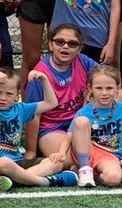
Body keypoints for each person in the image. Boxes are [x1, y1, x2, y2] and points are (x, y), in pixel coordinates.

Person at [0, 67, 75, 190]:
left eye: (9, 94)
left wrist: (44, 79)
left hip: (17, 162)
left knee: (56, 163)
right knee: (4, 162)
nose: (3, 98)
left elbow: (51, 103)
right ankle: (45, 182)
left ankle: (13, 180)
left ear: (17, 95)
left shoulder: (21, 109)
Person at [68, 66, 122, 189]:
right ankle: (84, 167)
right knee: (53, 164)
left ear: (118, 89)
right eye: (99, 88)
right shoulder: (84, 112)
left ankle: (90, 173)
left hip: (109, 155)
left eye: (109, 88)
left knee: (113, 179)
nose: (104, 93)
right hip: (87, 151)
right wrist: (60, 152)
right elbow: (70, 135)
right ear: (90, 89)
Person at [26, 22, 96, 163]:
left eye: (72, 44)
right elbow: (33, 114)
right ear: (51, 45)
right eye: (59, 42)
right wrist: (31, 151)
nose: (65, 46)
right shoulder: (38, 75)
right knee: (68, 160)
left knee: (117, 95)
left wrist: (92, 93)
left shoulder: (83, 62)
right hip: (52, 128)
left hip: (80, 123)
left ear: (79, 49)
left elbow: (108, 81)